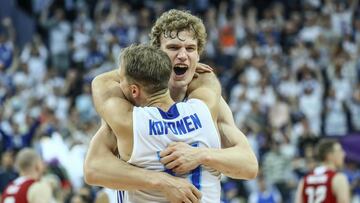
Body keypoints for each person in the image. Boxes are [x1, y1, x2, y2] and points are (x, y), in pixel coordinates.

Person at [84, 9, 258, 202]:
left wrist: (201, 155)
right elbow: (94, 168)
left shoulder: (212, 103)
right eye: (174, 48)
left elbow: (249, 165)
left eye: (190, 49)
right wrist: (160, 180)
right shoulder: (130, 104)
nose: (183, 55)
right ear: (157, 54)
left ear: (198, 56)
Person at [97, 44, 221, 202]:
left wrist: (143, 68)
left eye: (121, 80)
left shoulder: (130, 123)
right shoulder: (204, 109)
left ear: (134, 90)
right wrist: (179, 66)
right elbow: (209, 79)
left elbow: (100, 83)